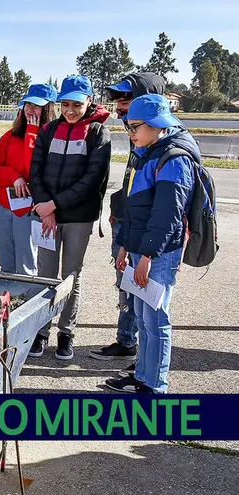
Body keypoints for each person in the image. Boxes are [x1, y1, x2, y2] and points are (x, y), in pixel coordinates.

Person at [104, 94, 199, 394]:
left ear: (157, 125)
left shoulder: (175, 159)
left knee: (156, 320)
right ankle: (142, 376)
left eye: (135, 127)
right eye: (128, 127)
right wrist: (123, 246)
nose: (130, 134)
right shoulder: (147, 153)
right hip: (139, 250)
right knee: (144, 319)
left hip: (157, 253)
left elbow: (167, 216)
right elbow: (133, 209)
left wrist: (146, 255)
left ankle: (155, 385)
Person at [28, 75, 112, 360]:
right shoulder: (49, 130)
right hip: (46, 215)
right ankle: (41, 332)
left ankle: (66, 333)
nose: (71, 110)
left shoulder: (98, 133)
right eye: (65, 104)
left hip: (77, 217)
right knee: (45, 276)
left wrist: (54, 204)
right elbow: (35, 171)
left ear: (89, 101)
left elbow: (91, 180)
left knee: (71, 277)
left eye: (77, 104)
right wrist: (44, 206)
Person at [89, 73, 166, 370]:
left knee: (146, 298)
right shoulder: (136, 130)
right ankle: (126, 342)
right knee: (127, 287)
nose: (119, 105)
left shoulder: (160, 138)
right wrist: (118, 205)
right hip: (127, 222)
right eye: (118, 99)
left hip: (146, 230)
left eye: (126, 97)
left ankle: (145, 363)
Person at [0, 84, 57, 275]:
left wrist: (32, 132)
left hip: (30, 208)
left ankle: (26, 302)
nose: (30, 109)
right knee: (6, 262)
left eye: (36, 105)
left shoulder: (51, 138)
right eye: (27, 104)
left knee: (26, 263)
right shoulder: (10, 136)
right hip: (4, 204)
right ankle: (8, 300)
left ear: (48, 108)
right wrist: (14, 177)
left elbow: (32, 169)